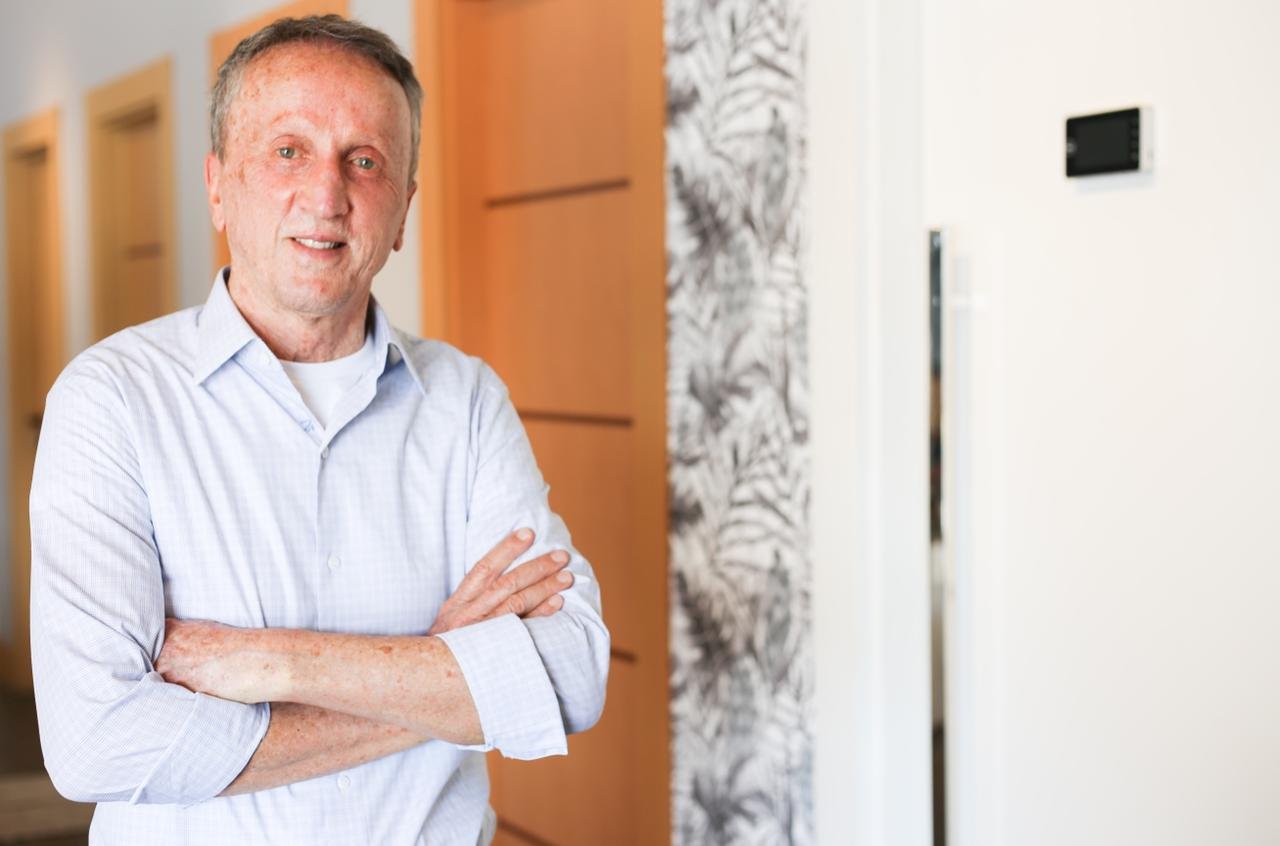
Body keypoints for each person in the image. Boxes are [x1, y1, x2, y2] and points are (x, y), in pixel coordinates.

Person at [28, 15, 608, 845]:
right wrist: (439, 671)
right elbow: (97, 744)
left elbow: (573, 674)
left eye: (364, 160)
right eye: (288, 150)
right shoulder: (111, 400)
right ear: (218, 185)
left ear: (402, 212)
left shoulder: (467, 399)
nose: (327, 195)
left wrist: (275, 661)